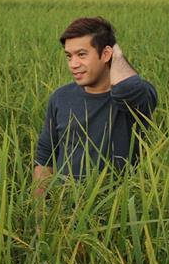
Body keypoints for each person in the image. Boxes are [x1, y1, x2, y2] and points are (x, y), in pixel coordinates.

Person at [33, 16, 157, 196]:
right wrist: (40, 215)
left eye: (82, 55)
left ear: (106, 54)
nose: (73, 64)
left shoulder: (136, 98)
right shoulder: (60, 97)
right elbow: (46, 156)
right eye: (69, 56)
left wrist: (116, 54)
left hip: (114, 210)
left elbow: (126, 88)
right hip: (64, 210)